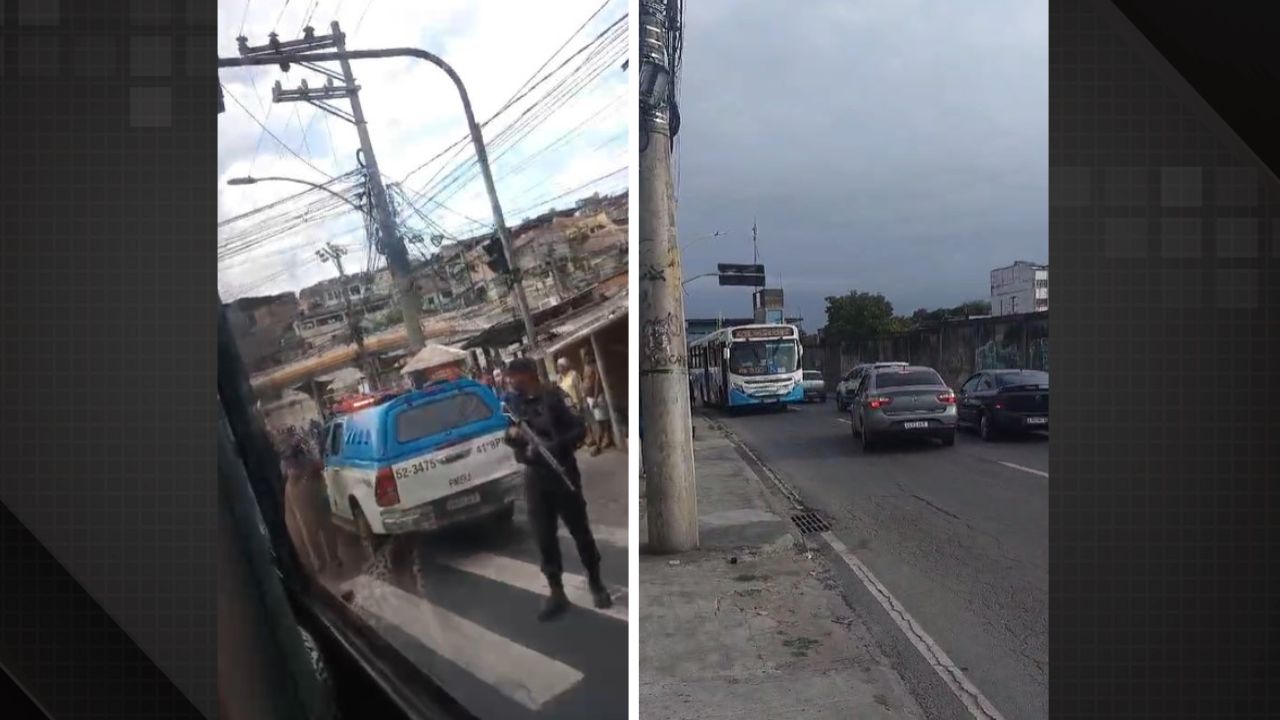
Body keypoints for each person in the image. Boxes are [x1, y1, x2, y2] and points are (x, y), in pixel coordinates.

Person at [502, 357, 612, 621]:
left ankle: (596, 584)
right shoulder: (514, 404)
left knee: (580, 532)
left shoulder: (553, 399)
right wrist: (513, 437)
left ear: (527, 375)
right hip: (535, 479)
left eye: (514, 377)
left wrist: (555, 445)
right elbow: (508, 434)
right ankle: (556, 592)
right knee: (544, 537)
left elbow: (579, 429)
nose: (510, 382)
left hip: (562, 474)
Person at [280, 432, 343, 575]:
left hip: (316, 489)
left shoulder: (308, 449)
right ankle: (320, 561)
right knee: (310, 530)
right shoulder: (287, 457)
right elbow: (287, 472)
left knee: (326, 526)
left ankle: (333, 558)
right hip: (301, 492)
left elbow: (319, 463)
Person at [582, 355, 613, 456]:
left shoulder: (595, 367)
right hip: (589, 397)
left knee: (603, 418)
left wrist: (595, 398)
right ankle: (601, 438)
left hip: (597, 396)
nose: (585, 359)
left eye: (587, 357)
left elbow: (597, 383)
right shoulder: (585, 368)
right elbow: (585, 382)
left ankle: (606, 437)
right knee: (597, 419)